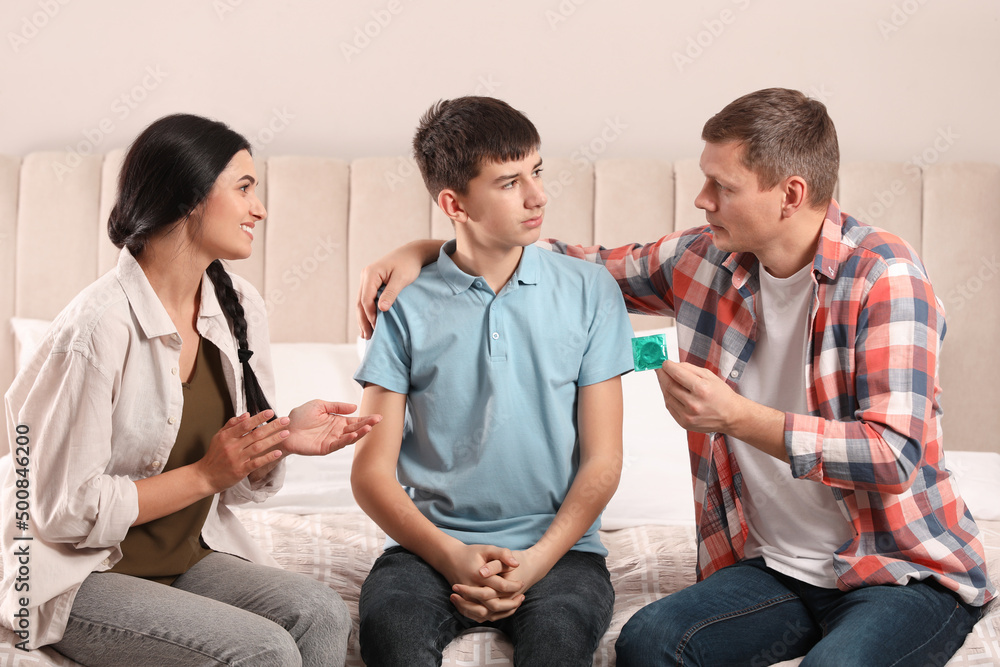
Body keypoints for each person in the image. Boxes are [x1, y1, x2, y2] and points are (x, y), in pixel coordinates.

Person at [356, 89, 994, 666]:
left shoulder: (885, 276)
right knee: (650, 644)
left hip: (895, 569)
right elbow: (552, 262)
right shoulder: (703, 259)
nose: (701, 199)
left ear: (790, 195)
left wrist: (737, 418)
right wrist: (423, 251)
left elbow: (894, 454)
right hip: (775, 571)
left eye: (722, 186)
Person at [1, 113, 380, 666]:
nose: (260, 209)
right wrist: (204, 474)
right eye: (244, 188)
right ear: (189, 197)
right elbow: (63, 511)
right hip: (78, 574)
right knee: (265, 650)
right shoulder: (96, 328)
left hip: (184, 557)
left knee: (322, 612)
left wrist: (280, 438)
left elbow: (237, 491)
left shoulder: (239, 306)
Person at [350, 96, 634, 667]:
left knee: (558, 646)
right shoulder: (404, 304)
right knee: (391, 637)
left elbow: (603, 460)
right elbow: (370, 473)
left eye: (537, 172)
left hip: (562, 552)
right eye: (509, 183)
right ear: (453, 203)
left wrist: (535, 562)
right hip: (427, 549)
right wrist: (451, 556)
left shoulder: (591, 292)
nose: (538, 196)